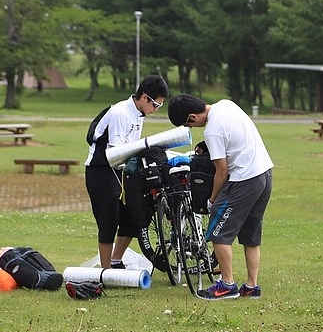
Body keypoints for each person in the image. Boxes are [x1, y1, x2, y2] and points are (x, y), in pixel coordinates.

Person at [168, 94, 273, 300]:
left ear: (191, 117)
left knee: (218, 231)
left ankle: (227, 285)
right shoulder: (226, 104)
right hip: (265, 173)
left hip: (244, 179)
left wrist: (212, 200)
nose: (193, 128)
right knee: (251, 235)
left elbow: (222, 171)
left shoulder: (212, 130)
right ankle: (252, 286)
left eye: (189, 124)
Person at [85, 75, 169, 269]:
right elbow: (115, 152)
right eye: (156, 105)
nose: (156, 110)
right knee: (109, 221)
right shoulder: (121, 113)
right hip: (101, 170)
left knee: (134, 216)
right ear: (145, 97)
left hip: (122, 169)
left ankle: (116, 260)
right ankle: (105, 271)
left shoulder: (138, 114)